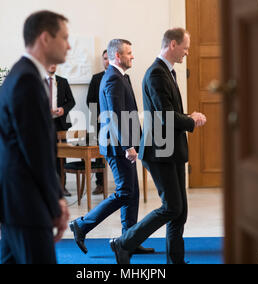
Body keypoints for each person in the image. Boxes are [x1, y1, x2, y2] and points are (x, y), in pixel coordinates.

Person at [0, 10, 70, 264]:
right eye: (64, 37)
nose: (69, 45)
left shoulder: (23, 74)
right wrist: (57, 202)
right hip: (24, 201)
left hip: (16, 200)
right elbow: (36, 152)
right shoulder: (27, 80)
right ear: (45, 38)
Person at [110, 28, 207, 264]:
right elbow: (166, 116)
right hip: (159, 151)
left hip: (170, 150)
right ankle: (124, 242)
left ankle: (176, 261)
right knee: (172, 207)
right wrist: (191, 120)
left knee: (179, 210)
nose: (187, 52)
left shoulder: (167, 72)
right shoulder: (156, 73)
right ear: (172, 44)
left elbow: (168, 112)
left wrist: (186, 115)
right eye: (185, 47)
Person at [69, 39, 154, 256]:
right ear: (117, 56)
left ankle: (128, 241)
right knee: (125, 191)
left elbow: (130, 114)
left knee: (131, 193)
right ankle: (82, 225)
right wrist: (127, 146)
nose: (132, 56)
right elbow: (115, 117)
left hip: (123, 145)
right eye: (129, 53)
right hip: (118, 147)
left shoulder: (120, 77)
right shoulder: (113, 79)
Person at [46, 64, 76, 197]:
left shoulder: (62, 81)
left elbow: (71, 101)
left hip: (60, 125)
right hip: (43, 124)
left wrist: (63, 109)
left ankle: (62, 187)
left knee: (61, 158)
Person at [86, 49, 110, 195]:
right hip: (100, 122)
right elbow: (90, 100)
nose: (107, 61)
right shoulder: (96, 78)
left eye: (109, 58)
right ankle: (100, 183)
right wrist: (100, 114)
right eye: (105, 58)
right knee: (100, 153)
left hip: (118, 122)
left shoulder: (124, 77)